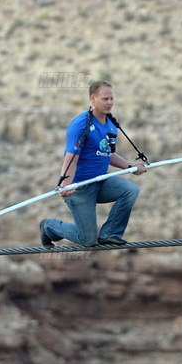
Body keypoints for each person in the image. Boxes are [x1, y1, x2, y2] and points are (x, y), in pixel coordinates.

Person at [39, 80, 146, 248]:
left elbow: (107, 154)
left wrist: (130, 167)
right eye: (105, 99)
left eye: (111, 99)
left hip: (101, 182)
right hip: (80, 187)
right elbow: (71, 157)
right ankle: (49, 226)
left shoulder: (111, 125)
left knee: (130, 190)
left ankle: (110, 233)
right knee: (87, 240)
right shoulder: (81, 124)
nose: (110, 102)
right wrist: (66, 184)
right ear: (93, 99)